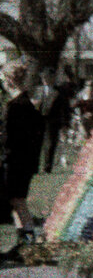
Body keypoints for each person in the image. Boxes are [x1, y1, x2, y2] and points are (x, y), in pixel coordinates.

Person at [1, 59, 45, 248]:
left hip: (14, 161)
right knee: (17, 201)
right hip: (24, 161)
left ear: (9, 80)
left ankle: (28, 242)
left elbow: (9, 137)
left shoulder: (16, 106)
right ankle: (25, 242)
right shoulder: (27, 104)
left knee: (17, 201)